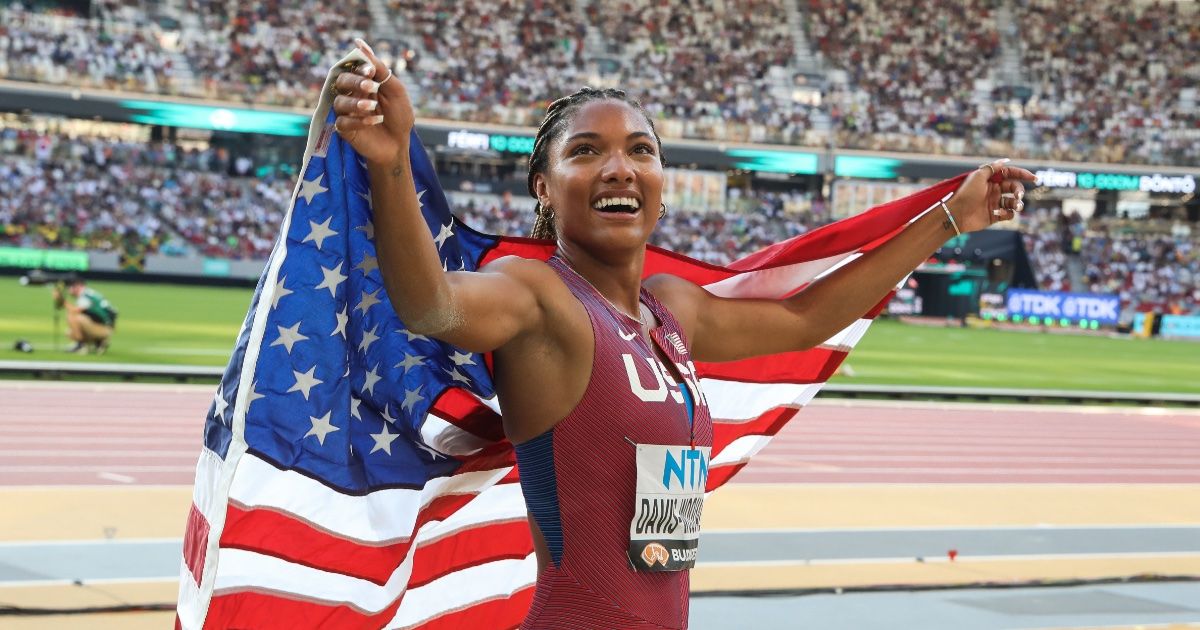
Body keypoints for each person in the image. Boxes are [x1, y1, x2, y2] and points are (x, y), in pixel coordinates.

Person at [332, 39, 1034, 630]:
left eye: (641, 150)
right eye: (586, 151)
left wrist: (950, 219)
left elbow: (808, 320)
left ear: (662, 183)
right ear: (543, 187)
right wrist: (391, 164)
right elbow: (432, 307)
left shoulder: (671, 312)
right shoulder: (537, 295)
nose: (620, 167)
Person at [53, 277, 116, 354]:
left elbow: (74, 310)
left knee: (74, 316)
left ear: (78, 286)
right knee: (70, 332)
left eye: (71, 286)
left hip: (104, 329)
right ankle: (98, 342)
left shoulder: (85, 296)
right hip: (104, 327)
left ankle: (81, 345)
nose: (69, 289)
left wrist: (61, 300)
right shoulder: (89, 293)